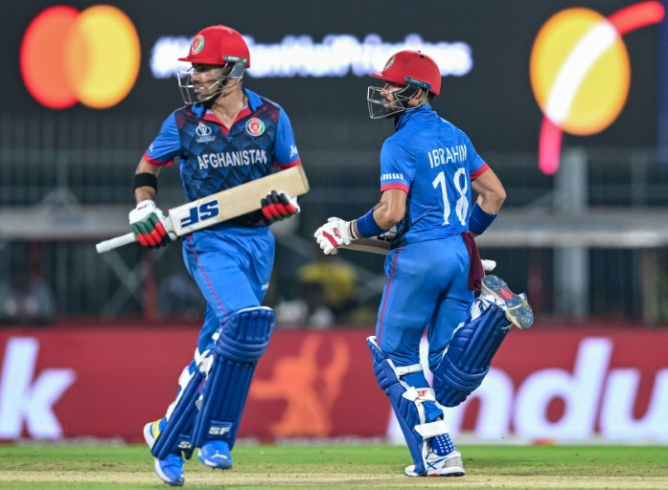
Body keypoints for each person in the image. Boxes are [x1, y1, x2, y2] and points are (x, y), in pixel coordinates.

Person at [314, 50, 534, 477]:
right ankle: (492, 322)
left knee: (393, 357)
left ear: (416, 93)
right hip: (458, 254)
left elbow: (390, 214)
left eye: (392, 86)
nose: (383, 92)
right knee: (447, 372)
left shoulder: (398, 143)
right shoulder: (456, 134)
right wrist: (463, 233)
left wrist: (347, 231)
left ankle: (437, 452)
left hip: (419, 257)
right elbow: (495, 195)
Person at [130, 25, 303, 486]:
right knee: (244, 322)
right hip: (208, 242)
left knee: (221, 342)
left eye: (205, 69)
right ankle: (178, 439)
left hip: (258, 243)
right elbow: (148, 167)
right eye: (196, 69)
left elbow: (293, 178)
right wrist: (146, 205)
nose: (197, 77)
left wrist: (284, 203)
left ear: (235, 70)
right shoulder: (183, 122)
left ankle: (198, 433)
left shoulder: (269, 117)